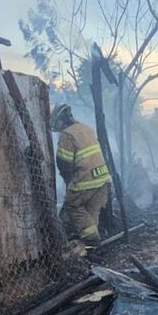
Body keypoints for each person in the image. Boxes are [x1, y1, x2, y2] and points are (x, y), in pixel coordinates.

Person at [49, 104, 112, 247]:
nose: (56, 127)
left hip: (85, 181)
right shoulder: (86, 128)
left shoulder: (67, 135)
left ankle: (92, 241)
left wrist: (68, 182)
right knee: (90, 213)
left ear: (61, 121)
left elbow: (64, 163)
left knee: (74, 207)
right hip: (103, 179)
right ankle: (90, 247)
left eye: (56, 123)